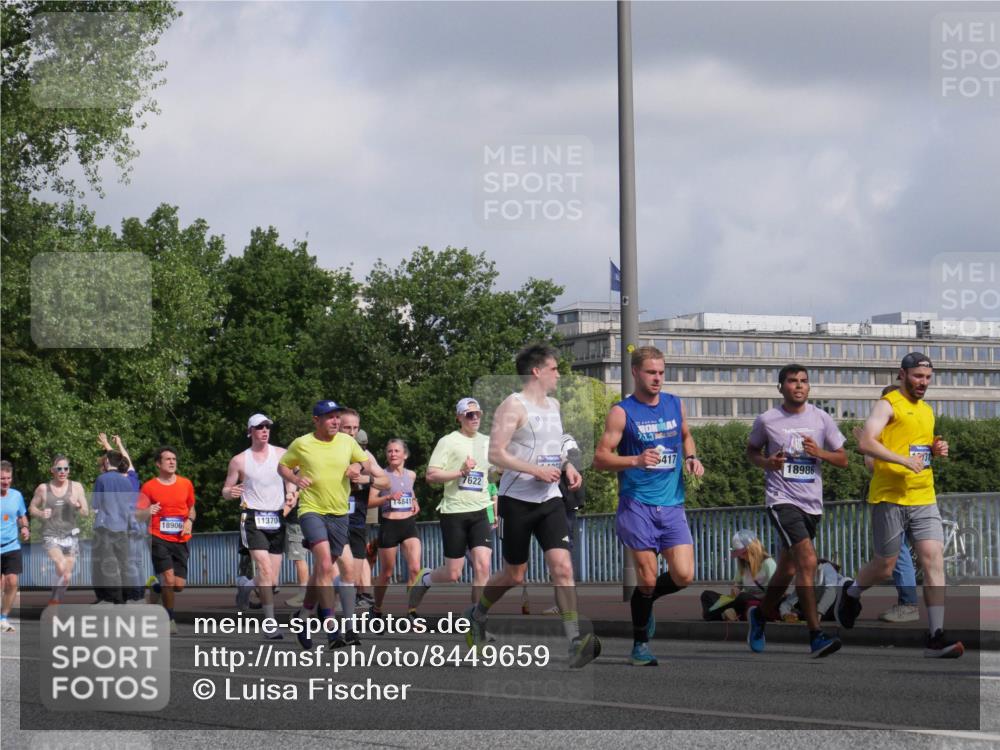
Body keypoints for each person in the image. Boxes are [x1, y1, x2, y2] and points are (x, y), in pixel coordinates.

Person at [465, 343, 600, 669]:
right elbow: (495, 454)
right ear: (537, 371)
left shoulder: (553, 405)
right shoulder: (512, 406)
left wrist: (567, 464)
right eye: (554, 369)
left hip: (550, 499)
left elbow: (555, 446)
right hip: (517, 501)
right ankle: (478, 615)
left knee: (563, 568)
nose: (558, 374)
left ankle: (574, 640)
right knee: (514, 574)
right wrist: (535, 470)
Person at [843, 352, 963, 658]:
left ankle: (935, 636)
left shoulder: (926, 410)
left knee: (933, 560)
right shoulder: (888, 404)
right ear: (903, 374)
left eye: (927, 378)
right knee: (885, 566)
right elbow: (866, 443)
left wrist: (937, 449)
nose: (923, 383)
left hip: (923, 495)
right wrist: (902, 460)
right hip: (890, 497)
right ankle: (852, 592)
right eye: (918, 377)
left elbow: (919, 448)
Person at [593, 345, 703, 667]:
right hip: (637, 504)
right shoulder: (622, 412)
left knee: (684, 575)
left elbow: (685, 436)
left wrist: (693, 458)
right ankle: (640, 645)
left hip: (672, 505)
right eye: (651, 372)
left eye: (661, 372)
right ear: (635, 373)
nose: (657, 378)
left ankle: (646, 602)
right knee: (648, 577)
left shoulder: (674, 404)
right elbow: (600, 458)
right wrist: (636, 460)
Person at [745, 364, 848, 658]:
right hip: (781, 500)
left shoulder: (821, 418)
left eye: (804, 381)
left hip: (811, 504)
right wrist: (767, 463)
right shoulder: (768, 420)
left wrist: (820, 453)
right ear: (781, 387)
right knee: (808, 561)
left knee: (788, 569)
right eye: (792, 381)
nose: (799, 386)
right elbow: (752, 451)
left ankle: (760, 616)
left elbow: (842, 459)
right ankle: (816, 635)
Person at [278, 400, 389, 650]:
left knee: (321, 572)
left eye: (337, 416)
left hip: (340, 514)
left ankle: (304, 619)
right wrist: (295, 478)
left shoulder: (347, 443)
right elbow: (282, 466)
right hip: (312, 511)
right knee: (327, 564)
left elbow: (366, 464)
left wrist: (357, 466)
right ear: (316, 420)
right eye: (329, 417)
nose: (335, 421)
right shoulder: (302, 443)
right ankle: (331, 626)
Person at [408, 397, 495, 616]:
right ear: (459, 417)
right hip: (454, 512)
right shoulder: (448, 441)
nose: (474, 418)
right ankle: (425, 579)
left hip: (480, 510)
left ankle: (477, 621)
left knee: (483, 566)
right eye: (469, 414)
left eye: (478, 414)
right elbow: (431, 475)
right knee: (453, 573)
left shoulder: (487, 441)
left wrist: (502, 471)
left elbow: (490, 474)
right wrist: (461, 472)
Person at [222, 413, 297, 635]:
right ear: (250, 431)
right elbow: (226, 490)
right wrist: (231, 492)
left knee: (272, 580)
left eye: (267, 427)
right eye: (259, 427)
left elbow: (291, 481)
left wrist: (291, 494)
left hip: (276, 516)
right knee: (264, 569)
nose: (264, 430)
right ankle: (270, 624)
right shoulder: (239, 460)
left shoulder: (282, 454)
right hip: (253, 517)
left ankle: (246, 586)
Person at [853, 387, 920, 624]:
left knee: (896, 552)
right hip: (917, 496)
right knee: (917, 555)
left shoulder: (881, 432)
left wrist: (865, 445)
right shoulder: (916, 425)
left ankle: (908, 603)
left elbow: (872, 466)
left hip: (890, 498)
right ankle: (921, 609)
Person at [136, 446, 196, 634]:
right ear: (158, 464)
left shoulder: (186, 484)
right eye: (167, 459)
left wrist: (190, 520)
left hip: (181, 537)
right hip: (158, 536)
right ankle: (169, 620)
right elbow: (137, 514)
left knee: (178, 585)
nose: (172, 462)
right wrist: (147, 511)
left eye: (174, 459)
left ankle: (155, 587)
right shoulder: (149, 486)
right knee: (169, 580)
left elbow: (192, 507)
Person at [369, 439, 422, 618]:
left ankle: (411, 610)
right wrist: (388, 498)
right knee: (386, 573)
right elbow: (369, 502)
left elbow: (410, 491)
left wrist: (414, 501)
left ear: (405, 455)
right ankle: (376, 608)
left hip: (408, 524)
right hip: (389, 525)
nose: (393, 454)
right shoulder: (381, 477)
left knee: (415, 568)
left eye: (397, 451)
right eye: (390, 451)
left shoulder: (412, 475)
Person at [29, 455, 89, 605]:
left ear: (69, 471)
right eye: (59, 469)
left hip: (70, 536)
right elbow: (31, 508)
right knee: (62, 566)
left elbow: (86, 513)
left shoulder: (76, 487)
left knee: (66, 576)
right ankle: (54, 598)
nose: (62, 472)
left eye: (65, 469)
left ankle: (55, 601)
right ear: (52, 470)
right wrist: (41, 513)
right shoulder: (43, 488)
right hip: (51, 535)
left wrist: (77, 506)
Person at [97, 434, 146, 603]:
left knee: (127, 563)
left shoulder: (117, 479)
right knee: (134, 562)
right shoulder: (131, 479)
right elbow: (124, 460)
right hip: (136, 523)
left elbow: (118, 460)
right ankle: (136, 594)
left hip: (123, 523)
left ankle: (131, 595)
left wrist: (108, 445)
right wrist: (116, 444)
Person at [339, 412, 377, 613]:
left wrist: (367, 479)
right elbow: (297, 472)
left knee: (356, 556)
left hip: (356, 513)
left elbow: (385, 480)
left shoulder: (365, 456)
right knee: (329, 562)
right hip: (329, 514)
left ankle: (361, 594)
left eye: (355, 428)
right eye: (348, 428)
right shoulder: (327, 447)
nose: (352, 433)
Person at [91, 448, 138, 605]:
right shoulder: (126, 481)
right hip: (123, 527)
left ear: (106, 462)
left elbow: (96, 503)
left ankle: (114, 598)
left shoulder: (102, 479)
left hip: (105, 526)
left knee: (108, 563)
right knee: (124, 563)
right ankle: (127, 595)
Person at [701, 530, 777, 622]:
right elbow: (737, 586)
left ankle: (716, 614)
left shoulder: (768, 563)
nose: (741, 556)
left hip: (759, 602)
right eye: (739, 553)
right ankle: (725, 614)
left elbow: (775, 591)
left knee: (743, 597)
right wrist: (734, 592)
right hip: (739, 601)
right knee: (707, 595)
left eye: (743, 552)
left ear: (753, 548)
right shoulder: (744, 565)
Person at [1, 461, 30, 632]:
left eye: (8, 478)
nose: (5, 481)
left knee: (12, 582)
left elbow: (22, 516)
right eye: (1, 478)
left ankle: (3, 618)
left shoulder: (16, 496)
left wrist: (25, 527)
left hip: (11, 545)